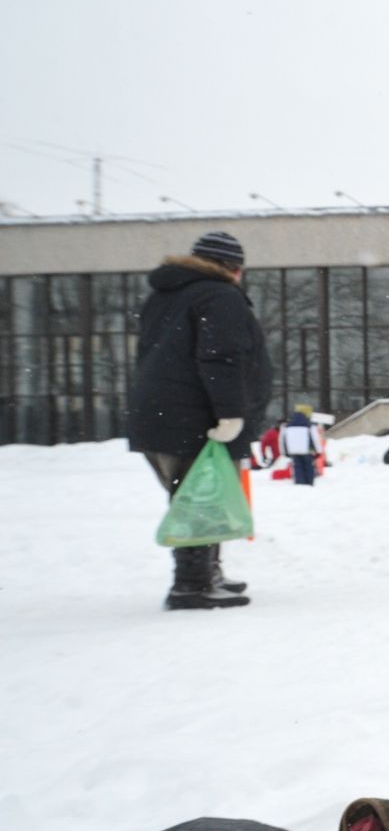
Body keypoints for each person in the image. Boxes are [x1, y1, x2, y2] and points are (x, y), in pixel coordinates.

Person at [126, 230, 271, 611]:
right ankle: (191, 585)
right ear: (233, 268)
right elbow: (220, 357)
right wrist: (230, 413)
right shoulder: (218, 296)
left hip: (163, 415)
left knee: (201, 495)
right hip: (195, 419)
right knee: (200, 500)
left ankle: (207, 574)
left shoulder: (166, 295)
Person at [281, 405, 322, 485]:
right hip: (307, 450)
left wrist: (285, 452)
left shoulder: (288, 425)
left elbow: (283, 439)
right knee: (308, 466)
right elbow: (315, 439)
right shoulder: (309, 425)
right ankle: (309, 483)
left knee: (297, 467)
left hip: (293, 450)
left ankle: (300, 483)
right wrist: (318, 451)